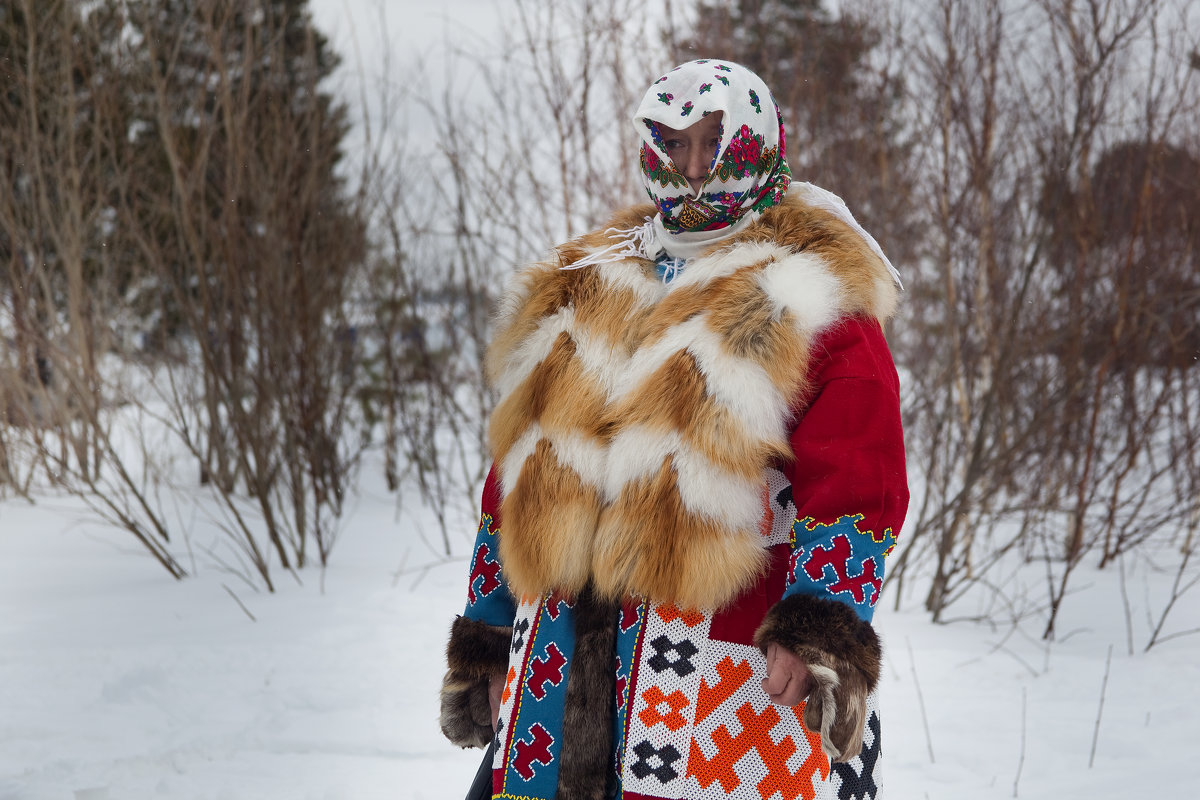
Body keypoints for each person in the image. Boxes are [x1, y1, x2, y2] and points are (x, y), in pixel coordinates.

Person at [439, 58, 908, 800]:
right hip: (560, 658)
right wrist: (489, 627)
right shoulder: (586, 279)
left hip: (720, 661)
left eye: (713, 144)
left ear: (758, 143)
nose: (693, 169)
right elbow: (521, 473)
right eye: (675, 145)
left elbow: (858, 474)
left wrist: (823, 624)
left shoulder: (807, 285)